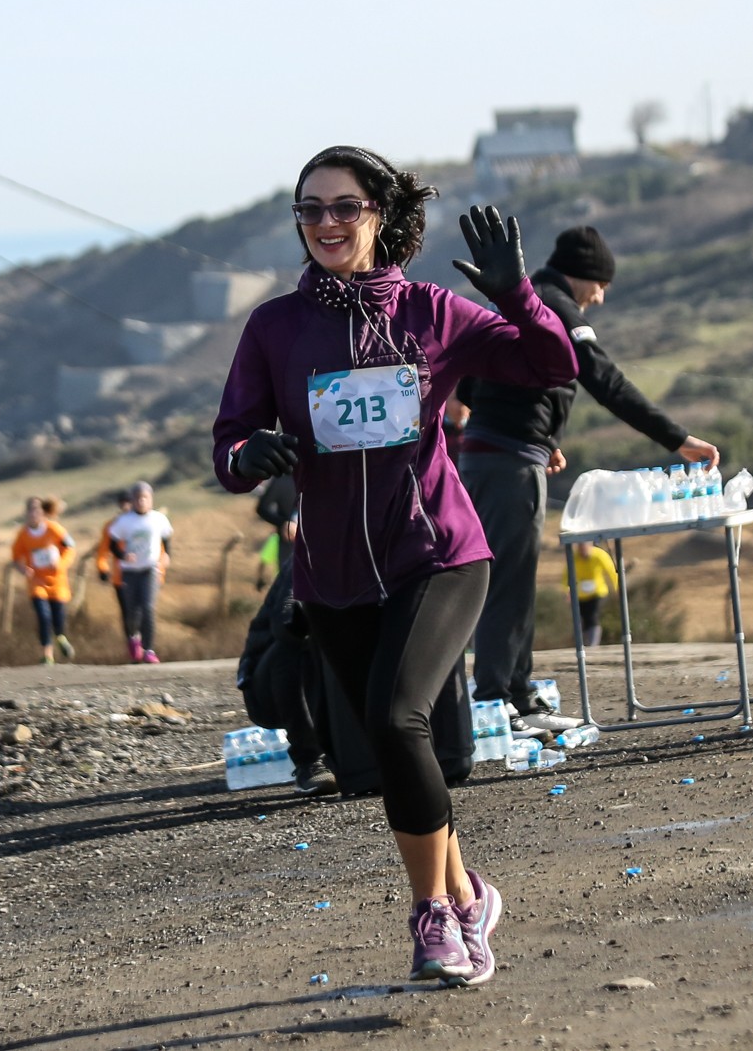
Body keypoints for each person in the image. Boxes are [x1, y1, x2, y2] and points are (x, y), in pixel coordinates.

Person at [212, 145, 576, 987]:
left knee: (395, 718)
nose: (326, 223)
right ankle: (468, 892)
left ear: (379, 214)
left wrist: (516, 294)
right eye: (310, 209)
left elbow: (552, 364)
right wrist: (250, 454)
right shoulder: (274, 327)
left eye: (345, 207)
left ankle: (434, 918)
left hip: (437, 554)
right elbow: (228, 446)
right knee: (386, 743)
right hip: (333, 573)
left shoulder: (430, 311)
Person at [453, 226, 719, 736]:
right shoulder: (554, 304)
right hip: (507, 460)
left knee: (513, 579)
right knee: (508, 582)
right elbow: (605, 380)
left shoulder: (522, 300)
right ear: (584, 276)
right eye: (601, 286)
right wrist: (678, 439)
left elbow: (474, 379)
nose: (599, 299)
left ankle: (517, 695)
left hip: (497, 453)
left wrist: (539, 433)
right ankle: (496, 701)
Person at [107, 481, 172, 664]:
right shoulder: (124, 521)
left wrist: (166, 554)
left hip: (150, 568)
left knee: (148, 607)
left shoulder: (158, 519)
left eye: (145, 497)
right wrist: (123, 555)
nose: (142, 501)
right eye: (138, 498)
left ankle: (149, 650)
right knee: (131, 611)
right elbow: (112, 545)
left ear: (151, 499)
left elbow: (166, 538)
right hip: (129, 571)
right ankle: (134, 638)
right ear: (133, 500)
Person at [11, 496, 76, 665]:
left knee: (58, 617)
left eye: (37, 510)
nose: (34, 514)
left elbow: (70, 547)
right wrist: (23, 569)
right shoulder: (23, 535)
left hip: (58, 582)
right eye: (30, 510)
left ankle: (61, 637)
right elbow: (16, 557)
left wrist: (61, 564)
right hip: (37, 582)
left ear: (43, 512)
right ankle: (47, 654)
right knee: (43, 616)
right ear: (26, 513)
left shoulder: (54, 529)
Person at [567, 538, 619, 647]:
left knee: (592, 616)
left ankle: (593, 644)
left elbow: (611, 571)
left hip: (597, 592)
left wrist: (617, 587)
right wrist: (567, 590)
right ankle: (583, 644)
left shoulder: (599, 555)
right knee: (581, 619)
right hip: (581, 594)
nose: (582, 550)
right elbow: (566, 575)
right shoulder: (575, 558)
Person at [95, 487, 133, 632]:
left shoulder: (146, 522)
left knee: (144, 609)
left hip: (144, 573)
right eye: (123, 502)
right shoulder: (111, 526)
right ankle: (132, 641)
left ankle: (145, 642)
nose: (126, 505)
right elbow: (103, 550)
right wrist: (102, 568)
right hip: (121, 576)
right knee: (127, 612)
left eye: (129, 501)